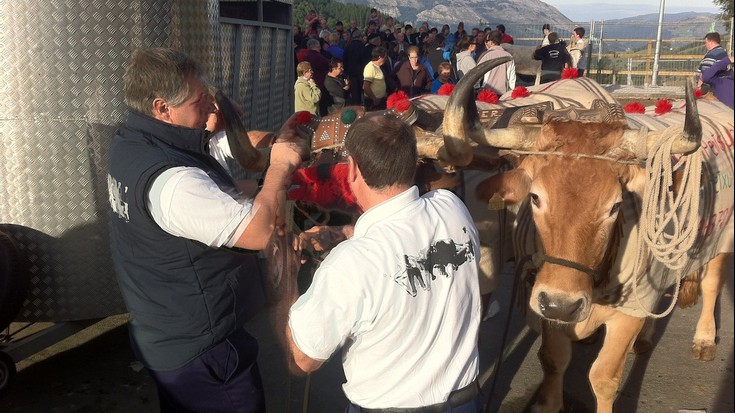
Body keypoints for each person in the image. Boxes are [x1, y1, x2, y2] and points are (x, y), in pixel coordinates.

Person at [107, 47, 304, 413]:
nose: (213, 109)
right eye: (201, 101)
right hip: (204, 349)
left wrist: (271, 163)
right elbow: (258, 231)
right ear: (162, 107)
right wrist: (278, 168)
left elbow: (217, 194)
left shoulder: (133, 143)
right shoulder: (174, 182)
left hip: (166, 330)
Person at [279, 111, 483, 412]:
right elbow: (408, 241)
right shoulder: (452, 208)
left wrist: (284, 278)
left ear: (352, 169)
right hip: (465, 403)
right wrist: (343, 233)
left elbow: (301, 359)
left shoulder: (349, 264)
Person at [477, 30, 516, 95]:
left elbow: (477, 73)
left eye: (487, 41)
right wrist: (510, 92)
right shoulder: (509, 56)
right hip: (503, 93)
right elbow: (512, 78)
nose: (486, 43)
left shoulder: (486, 55)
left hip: (487, 93)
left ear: (491, 42)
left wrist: (477, 88)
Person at [362, 46, 388, 110]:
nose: (386, 58)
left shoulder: (378, 67)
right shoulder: (370, 67)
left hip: (380, 100)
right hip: (373, 102)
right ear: (379, 57)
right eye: (385, 57)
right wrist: (374, 99)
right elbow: (366, 86)